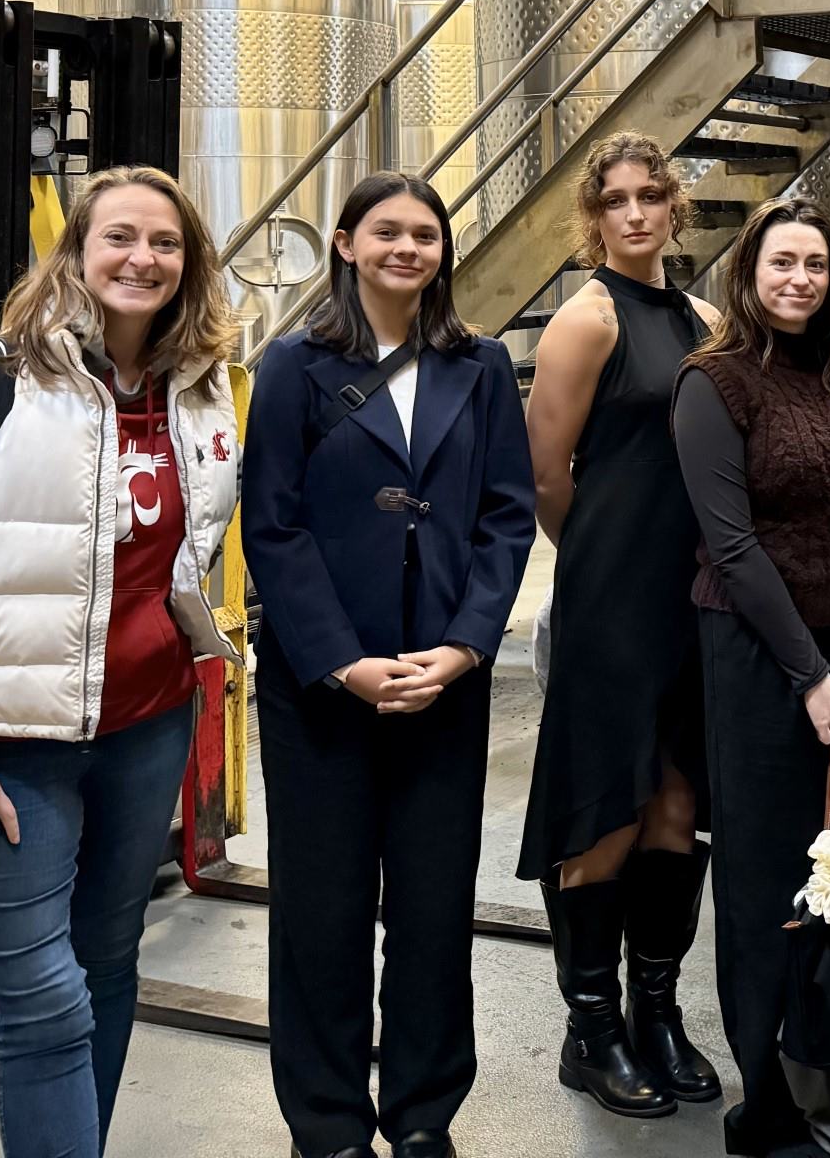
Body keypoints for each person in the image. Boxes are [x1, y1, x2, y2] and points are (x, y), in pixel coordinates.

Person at [0, 166, 241, 1158]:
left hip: (147, 729)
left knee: (109, 964)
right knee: (42, 1000)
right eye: (120, 237)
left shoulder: (199, 394)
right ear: (75, 252)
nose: (142, 258)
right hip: (8, 750)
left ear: (188, 265)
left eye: (165, 243)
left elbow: (188, 558)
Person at [240, 170, 537, 1158]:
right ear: (345, 243)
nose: (407, 249)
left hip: (442, 688)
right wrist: (344, 663)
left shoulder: (482, 366)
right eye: (387, 232)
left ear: (443, 253)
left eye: (424, 234)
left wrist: (463, 647)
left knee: (431, 914)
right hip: (321, 692)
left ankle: (420, 1118)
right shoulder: (293, 365)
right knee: (320, 918)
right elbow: (272, 529)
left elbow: (507, 516)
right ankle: (325, 1124)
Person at [674, 196, 830, 1158]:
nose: (800, 279)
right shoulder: (714, 384)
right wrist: (812, 678)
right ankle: (764, 1106)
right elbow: (731, 548)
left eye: (816, 264)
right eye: (783, 263)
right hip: (764, 664)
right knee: (768, 878)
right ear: (749, 271)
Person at [518, 134, 723, 1119]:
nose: (636, 214)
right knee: (604, 813)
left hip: (693, 600)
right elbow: (546, 475)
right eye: (617, 200)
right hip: (612, 599)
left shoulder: (706, 318)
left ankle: (657, 1013)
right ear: (594, 217)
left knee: (676, 810)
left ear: (674, 210)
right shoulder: (584, 320)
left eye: (652, 197)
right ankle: (589, 1028)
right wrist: (603, 559)